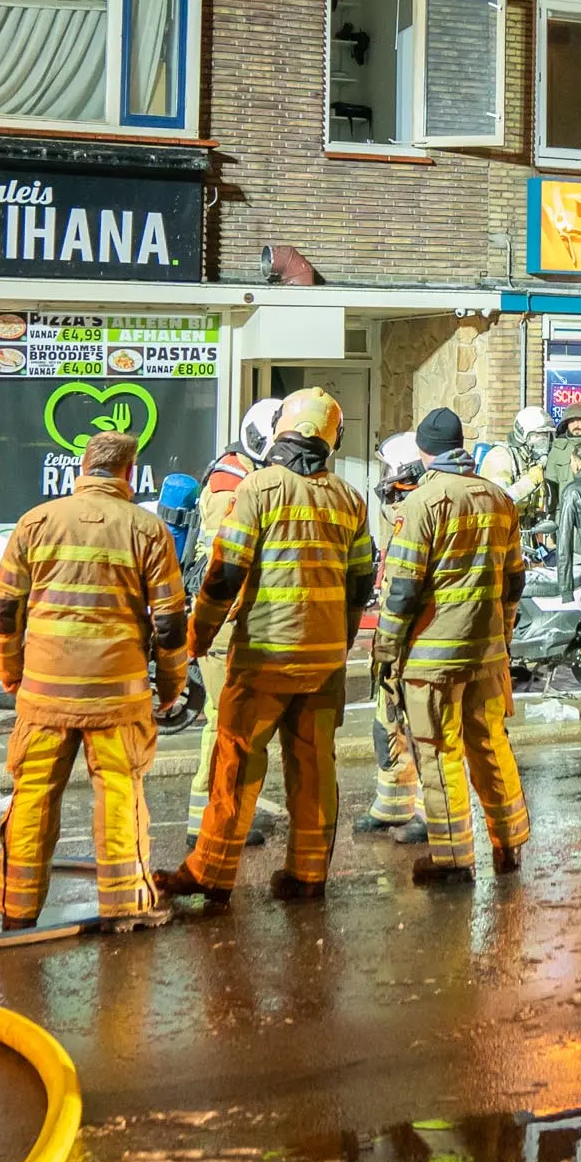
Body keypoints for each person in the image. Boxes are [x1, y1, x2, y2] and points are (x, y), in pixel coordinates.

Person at [159, 388, 375, 908]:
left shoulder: (258, 488)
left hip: (262, 659)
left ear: (282, 429)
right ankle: (307, 874)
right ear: (330, 438)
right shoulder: (350, 499)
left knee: (236, 764)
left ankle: (211, 871)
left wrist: (198, 637)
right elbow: (360, 584)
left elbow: (225, 572)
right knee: (314, 768)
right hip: (323, 664)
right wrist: (341, 644)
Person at [0, 427, 188, 933]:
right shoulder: (148, 530)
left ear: (83, 467)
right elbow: (168, 623)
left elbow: (4, 608)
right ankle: (126, 907)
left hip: (44, 695)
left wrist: (11, 671)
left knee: (33, 795)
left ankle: (18, 909)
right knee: (120, 793)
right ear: (129, 471)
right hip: (117, 699)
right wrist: (171, 687)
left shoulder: (35, 522)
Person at [377, 408, 530, 885]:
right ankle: (509, 846)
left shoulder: (422, 503)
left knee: (440, 752)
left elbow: (402, 589)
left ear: (424, 452)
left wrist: (385, 650)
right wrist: (502, 638)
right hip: (486, 654)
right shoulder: (499, 499)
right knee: (489, 745)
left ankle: (452, 859)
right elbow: (515, 580)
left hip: (432, 658)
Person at [187, 398, 282, 836]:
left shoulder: (244, 476)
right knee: (224, 716)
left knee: (238, 718)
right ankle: (208, 814)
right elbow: (224, 565)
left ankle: (233, 799)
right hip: (225, 621)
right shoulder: (229, 488)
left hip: (238, 617)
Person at [355, 431, 434, 843]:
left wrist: (387, 642)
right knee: (388, 725)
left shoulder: (421, 513)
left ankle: (427, 814)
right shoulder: (404, 512)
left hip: (414, 643)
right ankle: (392, 806)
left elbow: (409, 588)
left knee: (422, 732)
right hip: (395, 640)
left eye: (390, 470)